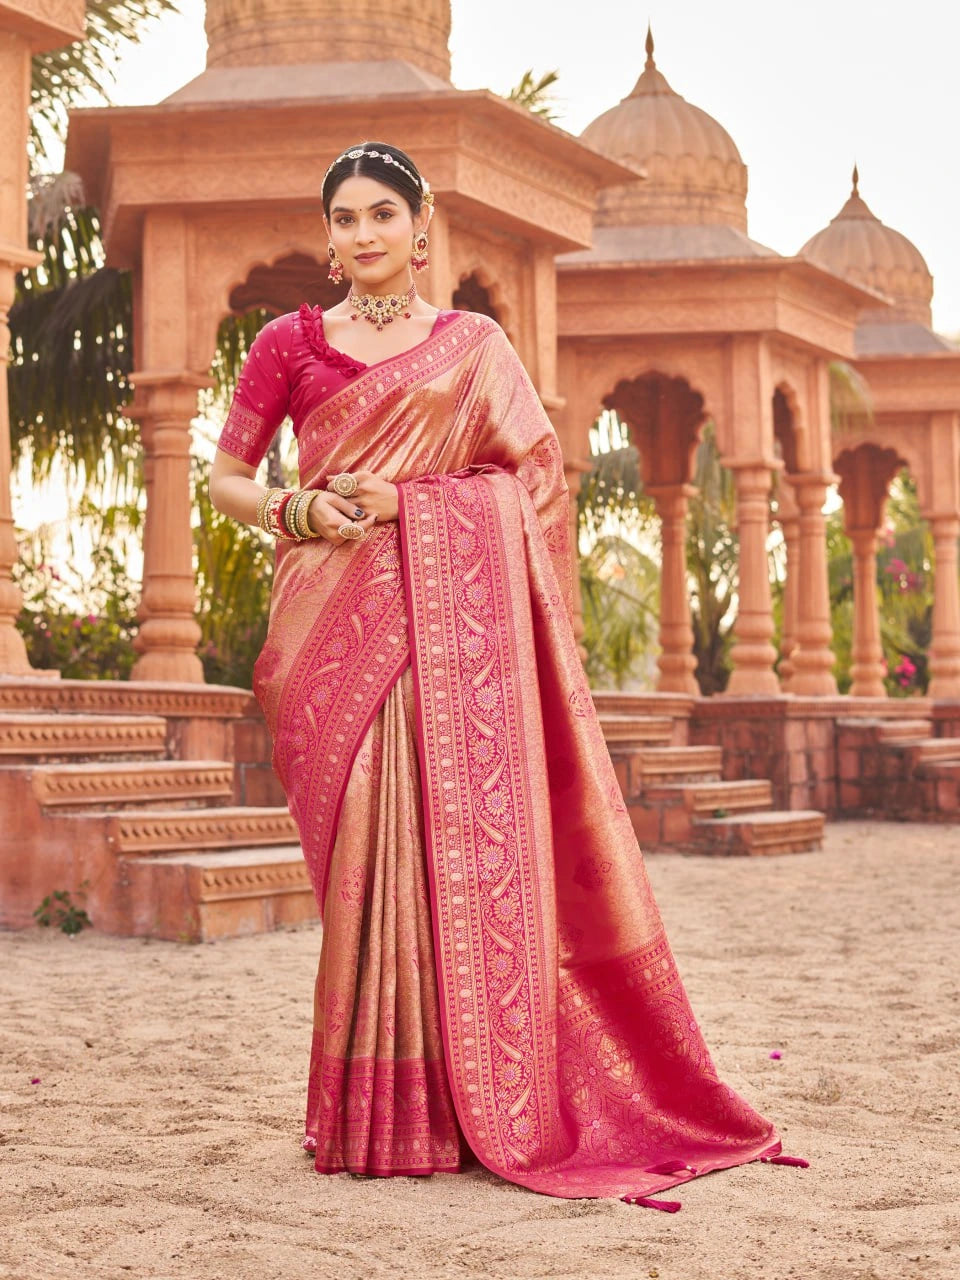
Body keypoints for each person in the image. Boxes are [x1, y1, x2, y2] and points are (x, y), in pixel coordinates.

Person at [209, 141, 803, 1207]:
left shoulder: (474, 345)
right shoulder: (286, 345)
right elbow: (227, 477)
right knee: (363, 871)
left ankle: (450, 1103)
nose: (361, 236)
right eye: (343, 219)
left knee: (445, 860)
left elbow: (531, 480)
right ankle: (371, 1108)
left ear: (420, 222)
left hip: (449, 637)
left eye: (381, 214)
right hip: (326, 628)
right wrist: (300, 508)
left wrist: (411, 504)